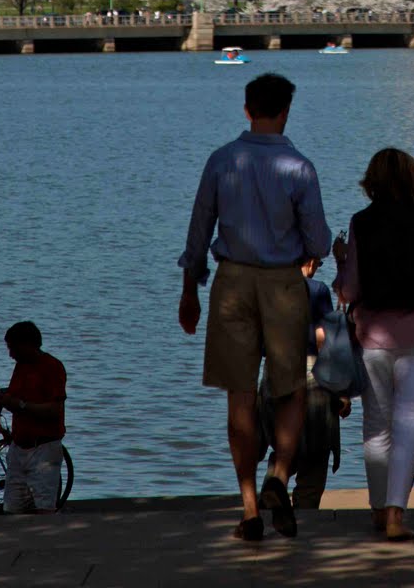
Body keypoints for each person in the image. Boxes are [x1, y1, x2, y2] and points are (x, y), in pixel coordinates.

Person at [179, 71, 331, 544]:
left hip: (232, 283)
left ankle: (248, 505)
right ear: (286, 110)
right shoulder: (300, 168)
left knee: (239, 397)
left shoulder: (222, 161)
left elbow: (200, 228)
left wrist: (190, 288)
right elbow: (319, 240)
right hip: (284, 284)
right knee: (291, 391)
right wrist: (312, 250)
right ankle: (278, 477)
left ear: (247, 109)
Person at [335, 147, 414, 543]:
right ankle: (396, 516)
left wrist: (340, 264)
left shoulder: (361, 223)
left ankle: (377, 507)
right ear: (413, 179)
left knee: (376, 425)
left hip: (375, 338)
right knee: (408, 424)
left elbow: (350, 290)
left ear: (372, 182)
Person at [259, 255, 350, 509]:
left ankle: (270, 499)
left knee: (282, 448)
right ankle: (304, 516)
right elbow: (324, 341)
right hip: (310, 376)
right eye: (318, 264)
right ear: (309, 261)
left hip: (273, 375)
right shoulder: (317, 290)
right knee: (315, 458)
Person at [0, 320, 67, 514]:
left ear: (28, 345)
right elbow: (17, 395)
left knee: (43, 507)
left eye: (13, 348)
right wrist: (3, 397)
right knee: (11, 508)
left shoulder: (52, 367)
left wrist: (21, 406)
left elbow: (54, 410)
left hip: (43, 448)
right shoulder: (21, 366)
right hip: (18, 447)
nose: (11, 354)